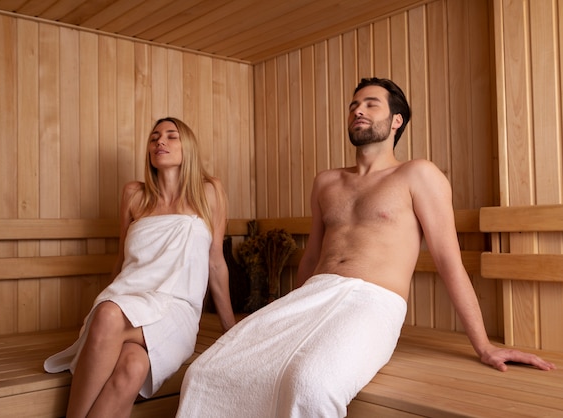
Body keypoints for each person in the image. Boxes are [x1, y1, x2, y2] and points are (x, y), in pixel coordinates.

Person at [175, 78, 556, 418]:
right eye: (354, 105)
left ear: (396, 121)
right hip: (312, 296)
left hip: (372, 301)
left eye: (371, 103)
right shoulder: (326, 182)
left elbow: (449, 262)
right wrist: (286, 314)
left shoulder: (418, 174)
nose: (358, 109)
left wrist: (484, 345)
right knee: (209, 370)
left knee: (312, 384)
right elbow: (312, 256)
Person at [44, 117, 236, 418]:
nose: (160, 141)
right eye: (154, 138)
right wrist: (100, 314)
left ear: (188, 147)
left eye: (171, 136)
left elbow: (215, 262)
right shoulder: (134, 194)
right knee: (132, 366)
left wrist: (231, 331)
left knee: (109, 315)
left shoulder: (209, 191)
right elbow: (122, 261)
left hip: (175, 308)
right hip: (127, 298)